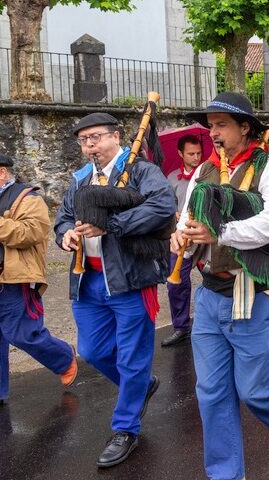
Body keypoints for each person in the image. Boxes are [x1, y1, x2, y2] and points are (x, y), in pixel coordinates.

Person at [171, 92, 269, 478]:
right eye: (210, 125)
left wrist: (221, 233)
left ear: (245, 128)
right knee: (210, 394)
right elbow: (189, 216)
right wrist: (180, 235)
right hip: (209, 292)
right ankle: (225, 474)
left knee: (254, 390)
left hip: (249, 292)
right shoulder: (205, 170)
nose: (212, 132)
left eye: (222, 124)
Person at [54, 113, 174, 467]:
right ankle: (139, 385)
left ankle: (125, 429)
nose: (89, 145)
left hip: (130, 279)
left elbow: (162, 206)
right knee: (92, 351)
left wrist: (113, 225)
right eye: (83, 140)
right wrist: (65, 235)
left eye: (95, 137)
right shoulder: (80, 179)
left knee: (132, 357)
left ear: (116, 137)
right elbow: (62, 217)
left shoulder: (140, 170)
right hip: (87, 280)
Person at [0, 154, 77, 406]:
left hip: (15, 278)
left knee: (22, 333)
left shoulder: (29, 198)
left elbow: (30, 233)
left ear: (2, 174)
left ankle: (63, 357)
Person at [162, 134, 203, 347]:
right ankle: (180, 327)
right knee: (175, 284)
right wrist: (173, 215)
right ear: (180, 154)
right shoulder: (171, 177)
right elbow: (165, 204)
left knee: (220, 279)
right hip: (182, 235)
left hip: (205, 237)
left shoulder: (207, 173)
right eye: (191, 154)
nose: (196, 157)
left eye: (198, 153)